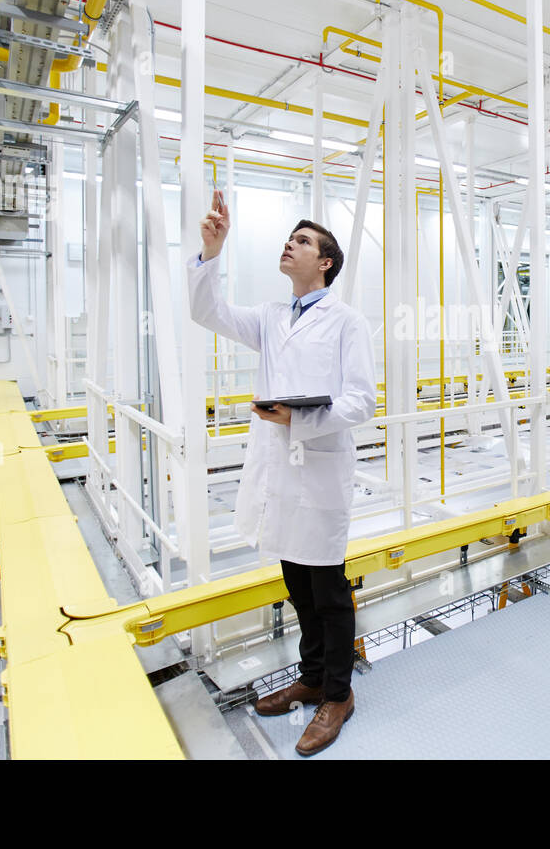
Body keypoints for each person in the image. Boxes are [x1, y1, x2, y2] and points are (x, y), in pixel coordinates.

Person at [187, 188, 376, 756]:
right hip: (281, 472)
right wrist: (211, 251)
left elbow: (361, 402)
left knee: (328, 590)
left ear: (325, 263)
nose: (288, 246)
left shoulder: (348, 322)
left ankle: (337, 695)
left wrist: (299, 418)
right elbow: (205, 312)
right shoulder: (271, 317)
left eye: (302, 241)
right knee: (296, 583)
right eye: (288, 239)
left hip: (318, 470)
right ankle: (313, 677)